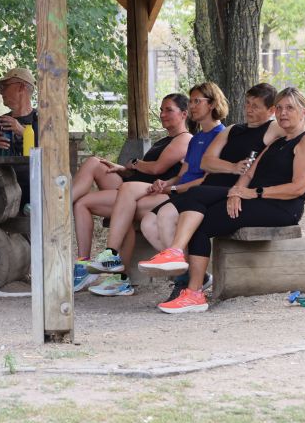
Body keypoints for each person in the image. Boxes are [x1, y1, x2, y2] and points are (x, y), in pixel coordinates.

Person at [145, 87, 305, 314]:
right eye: (279, 107)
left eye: (289, 108)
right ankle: (193, 292)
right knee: (198, 214)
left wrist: (254, 193)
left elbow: (298, 188)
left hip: (281, 207)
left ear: (303, 111)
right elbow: (249, 174)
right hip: (256, 199)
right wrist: (236, 192)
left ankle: (178, 259)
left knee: (198, 198)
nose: (283, 113)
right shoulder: (276, 142)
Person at [90, 82, 227, 296]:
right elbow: (183, 174)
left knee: (133, 201)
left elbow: (208, 180)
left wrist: (173, 190)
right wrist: (167, 184)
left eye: (196, 101)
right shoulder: (197, 138)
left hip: (197, 198)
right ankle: (186, 275)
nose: (192, 106)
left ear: (212, 104)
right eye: (191, 101)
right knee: (146, 222)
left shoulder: (221, 135)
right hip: (179, 191)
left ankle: (117, 261)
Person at [71, 94, 192, 293]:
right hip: (134, 187)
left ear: (184, 114)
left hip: (153, 194)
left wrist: (136, 163)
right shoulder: (163, 140)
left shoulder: (185, 139)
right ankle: (60, 205)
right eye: (161, 110)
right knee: (95, 163)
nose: (162, 114)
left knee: (83, 203)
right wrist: (123, 169)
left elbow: (156, 169)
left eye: (169, 110)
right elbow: (144, 169)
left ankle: (91, 265)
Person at [0, 67, 39, 210]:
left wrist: (24, 132)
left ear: (21, 87)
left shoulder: (43, 122)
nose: (1, 92)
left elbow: (52, 158)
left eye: (5, 86)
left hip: (35, 191)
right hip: (1, 190)